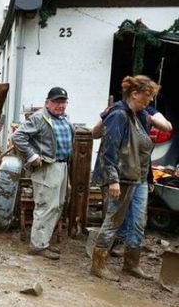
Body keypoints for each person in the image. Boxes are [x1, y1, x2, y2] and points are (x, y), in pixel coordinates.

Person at [92, 77, 172, 261]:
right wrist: (112, 180)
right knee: (114, 220)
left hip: (139, 177)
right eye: (148, 95)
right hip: (121, 178)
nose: (151, 100)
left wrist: (149, 178)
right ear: (134, 94)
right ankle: (99, 263)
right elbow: (108, 150)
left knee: (139, 221)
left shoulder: (143, 116)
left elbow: (142, 153)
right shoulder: (118, 115)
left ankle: (131, 263)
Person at [12, 87, 74, 260]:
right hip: (47, 167)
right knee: (46, 205)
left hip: (61, 166)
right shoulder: (40, 117)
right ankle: (37, 246)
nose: (60, 105)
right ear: (47, 102)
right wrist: (32, 156)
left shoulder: (63, 118)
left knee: (58, 204)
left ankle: (43, 242)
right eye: (56, 102)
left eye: (63, 102)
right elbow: (18, 137)